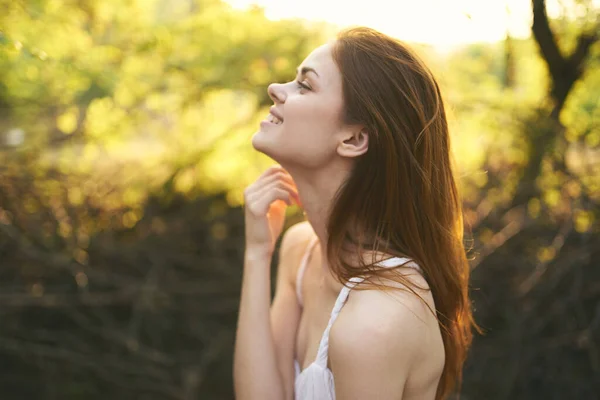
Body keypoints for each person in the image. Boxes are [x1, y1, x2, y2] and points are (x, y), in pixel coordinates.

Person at [233, 26, 479, 400]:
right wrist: (256, 254)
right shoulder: (301, 250)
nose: (276, 89)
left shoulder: (375, 322)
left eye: (305, 85)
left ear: (353, 139)